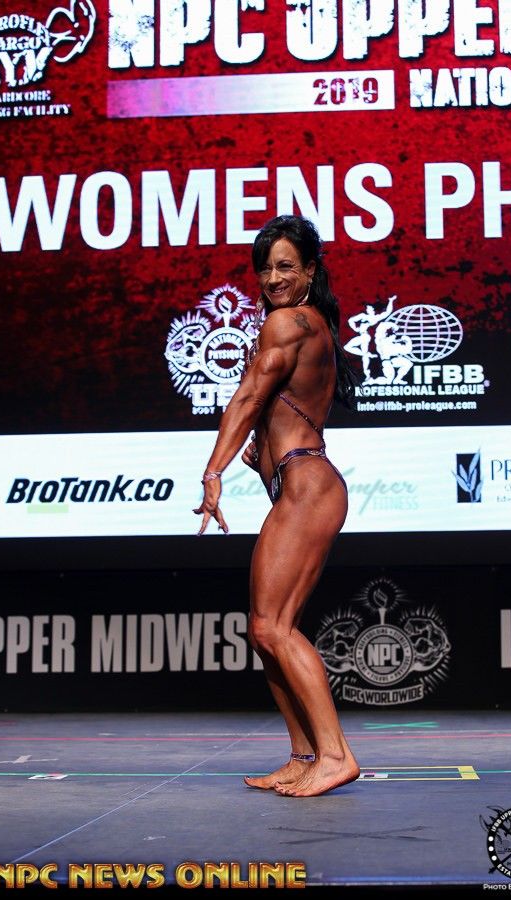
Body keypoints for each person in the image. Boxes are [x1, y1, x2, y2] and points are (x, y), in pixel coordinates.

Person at [194, 215, 360, 798]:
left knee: (273, 627)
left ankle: (335, 755)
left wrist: (213, 470)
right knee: (263, 631)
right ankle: (304, 754)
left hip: (308, 487)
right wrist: (260, 455)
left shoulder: (287, 322)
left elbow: (248, 397)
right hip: (297, 483)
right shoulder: (309, 325)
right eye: (264, 268)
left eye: (286, 266)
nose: (272, 278)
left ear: (310, 270)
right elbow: (276, 411)